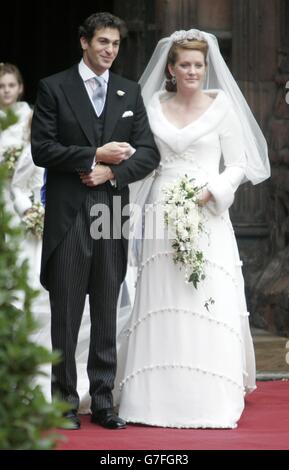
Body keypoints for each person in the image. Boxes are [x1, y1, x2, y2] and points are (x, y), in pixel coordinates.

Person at [117, 29, 270, 428]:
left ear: (206, 67)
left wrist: (214, 189)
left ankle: (208, 397)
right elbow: (142, 153)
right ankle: (152, 397)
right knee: (161, 295)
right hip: (160, 212)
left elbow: (238, 164)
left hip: (208, 214)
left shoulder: (222, 108)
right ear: (170, 68)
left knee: (206, 296)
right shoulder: (152, 103)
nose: (191, 70)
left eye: (198, 65)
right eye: (184, 64)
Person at [31, 12, 160, 430]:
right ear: (84, 42)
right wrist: (94, 155)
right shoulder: (54, 87)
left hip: (111, 213)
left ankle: (103, 401)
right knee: (66, 313)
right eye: (103, 42)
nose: (109, 50)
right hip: (69, 215)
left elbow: (148, 152)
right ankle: (64, 403)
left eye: (115, 44)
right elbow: (42, 149)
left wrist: (113, 172)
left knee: (106, 308)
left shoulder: (129, 91)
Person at [0, 63, 31, 217]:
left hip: (24, 187)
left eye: (11, 85)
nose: (6, 90)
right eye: (1, 85)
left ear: (20, 88)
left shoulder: (29, 116)